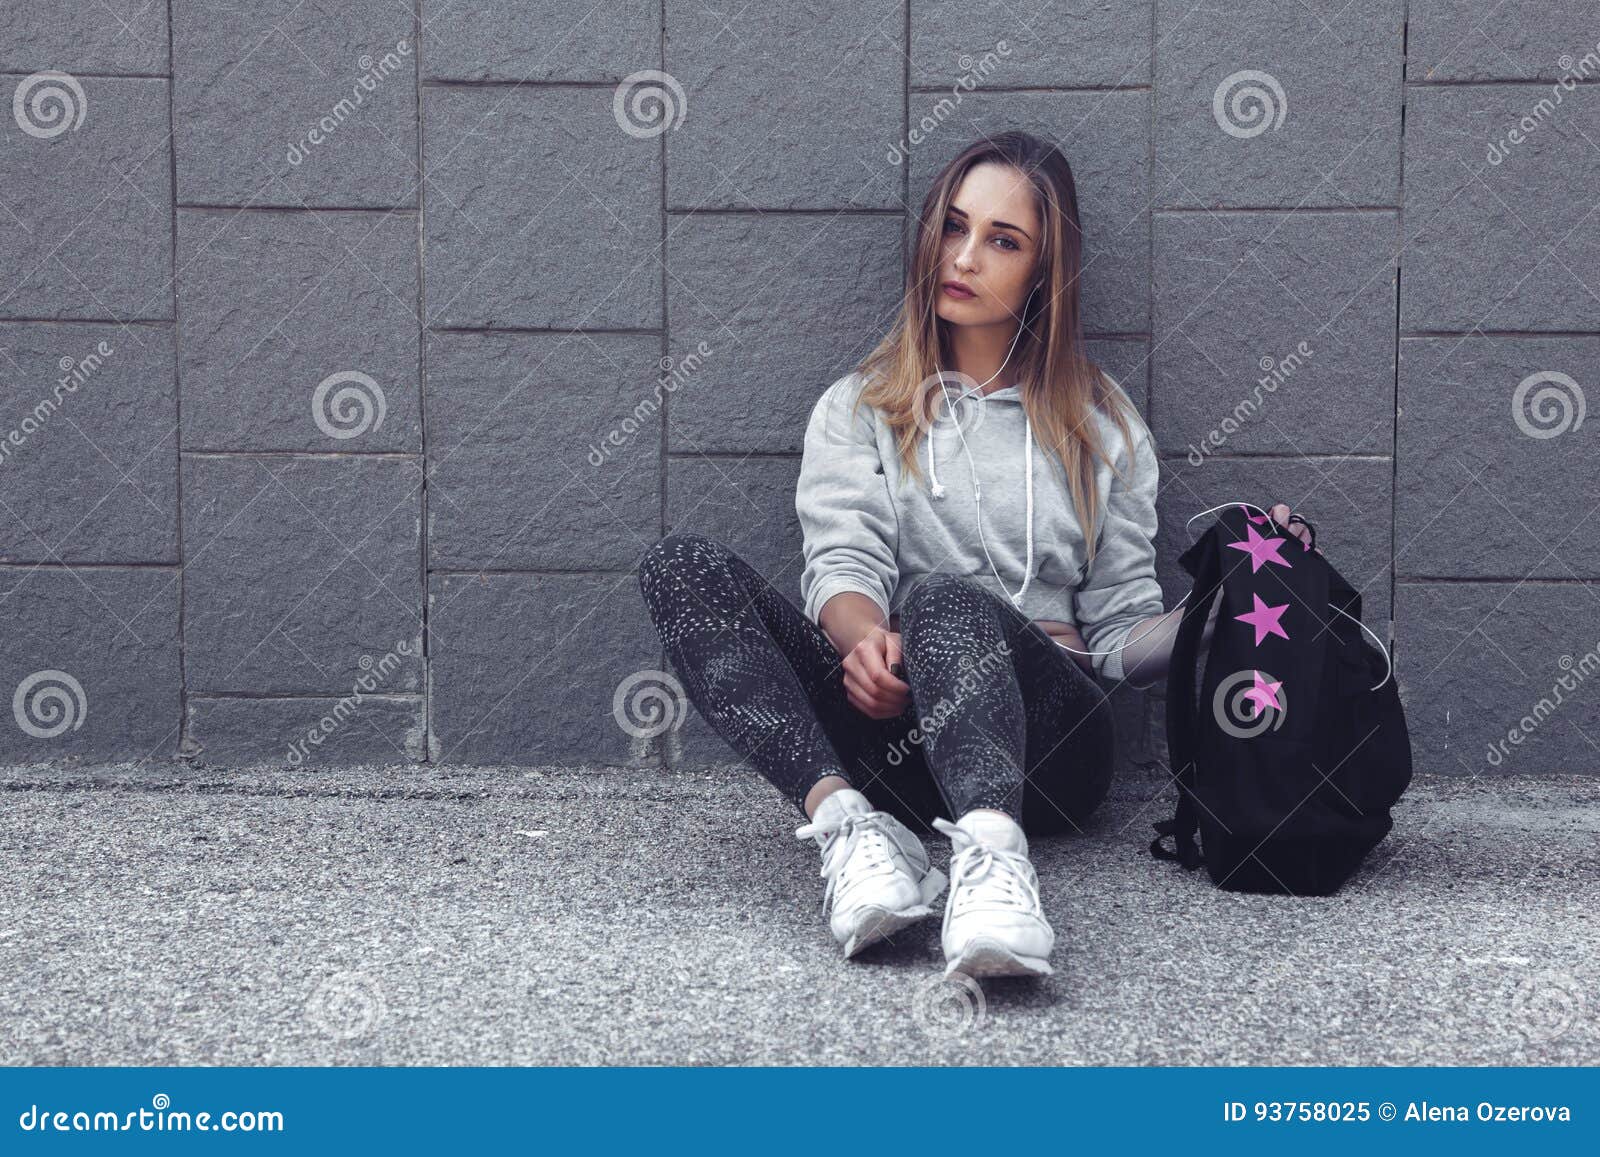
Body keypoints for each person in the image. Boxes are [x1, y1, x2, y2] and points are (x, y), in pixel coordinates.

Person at [637, 131, 1315, 979]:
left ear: (1044, 270)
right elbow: (841, 565)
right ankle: (854, 832)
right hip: (895, 741)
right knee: (682, 568)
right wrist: (865, 647)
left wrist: (1243, 592)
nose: (963, 257)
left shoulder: (1101, 426)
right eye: (953, 227)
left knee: (943, 598)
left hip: (1050, 757)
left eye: (1002, 240)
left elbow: (1120, 636)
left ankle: (995, 865)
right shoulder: (861, 407)